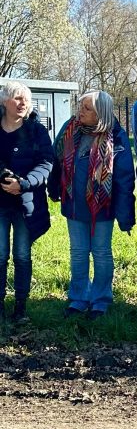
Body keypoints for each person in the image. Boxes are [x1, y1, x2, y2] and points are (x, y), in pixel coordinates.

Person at [49, 91, 135, 319]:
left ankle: (100, 301)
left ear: (101, 113)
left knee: (101, 253)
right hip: (74, 206)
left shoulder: (116, 136)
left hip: (102, 209)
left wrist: (126, 215)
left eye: (87, 108)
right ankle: (78, 299)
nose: (81, 111)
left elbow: (125, 178)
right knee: (78, 254)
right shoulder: (70, 129)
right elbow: (55, 160)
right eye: (81, 106)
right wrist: (53, 188)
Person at [0, 81, 54, 324]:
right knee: (0, 255)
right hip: (0, 203)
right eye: (17, 98)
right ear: (4, 102)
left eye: (26, 99)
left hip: (26, 203)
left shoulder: (36, 131)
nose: (23, 104)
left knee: (22, 255)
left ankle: (20, 306)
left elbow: (46, 163)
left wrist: (23, 183)